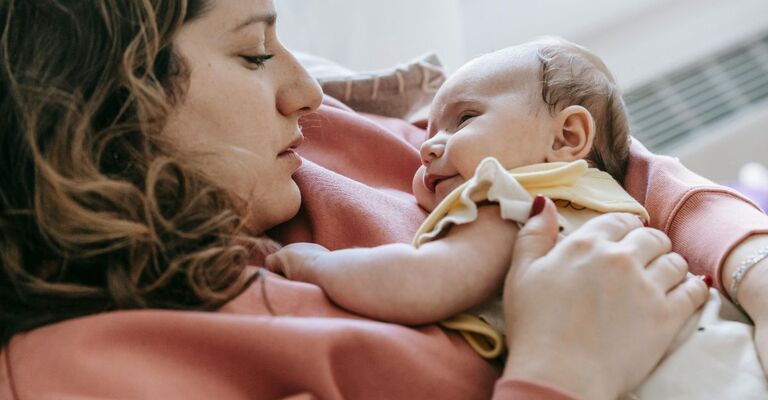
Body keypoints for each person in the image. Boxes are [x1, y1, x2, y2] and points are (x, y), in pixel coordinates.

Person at [0, 1, 760, 400]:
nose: (306, 90)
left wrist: (750, 262)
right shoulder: (83, 373)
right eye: (254, 52)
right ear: (102, 99)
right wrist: (564, 374)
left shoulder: (313, 137)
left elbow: (603, 164)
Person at [265, 38, 665, 359]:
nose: (427, 149)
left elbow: (422, 283)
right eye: (427, 134)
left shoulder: (511, 198)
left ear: (567, 138)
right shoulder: (611, 201)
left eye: (465, 119)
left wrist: (317, 263)